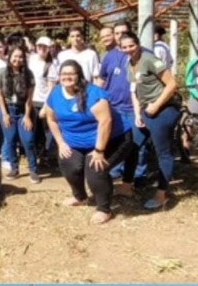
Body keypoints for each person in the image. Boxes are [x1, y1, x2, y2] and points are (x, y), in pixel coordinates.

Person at [46, 60, 134, 224]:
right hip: (75, 142)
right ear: (59, 77)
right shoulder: (55, 94)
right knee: (68, 164)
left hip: (113, 139)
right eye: (64, 74)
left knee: (95, 170)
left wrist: (99, 151)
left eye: (71, 73)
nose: (67, 77)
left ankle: (104, 209)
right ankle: (79, 197)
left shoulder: (94, 93)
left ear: (79, 75)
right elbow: (51, 119)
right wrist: (61, 143)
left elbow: (105, 122)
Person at [120, 32, 180, 209]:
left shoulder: (149, 59)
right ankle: (126, 186)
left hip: (164, 109)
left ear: (138, 44)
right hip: (146, 111)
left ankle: (162, 194)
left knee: (163, 152)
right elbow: (134, 92)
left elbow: (172, 84)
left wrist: (156, 105)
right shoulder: (129, 64)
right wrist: (138, 114)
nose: (128, 50)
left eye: (131, 45)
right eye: (124, 47)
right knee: (132, 146)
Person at [97, 22, 149, 187]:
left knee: (138, 145)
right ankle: (115, 173)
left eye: (123, 32)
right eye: (117, 33)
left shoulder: (145, 54)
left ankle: (139, 176)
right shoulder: (110, 56)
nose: (120, 36)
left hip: (136, 109)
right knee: (116, 143)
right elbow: (101, 80)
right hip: (114, 108)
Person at [0, 46, 39, 182]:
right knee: (10, 139)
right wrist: (5, 114)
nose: (17, 59)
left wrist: (27, 116)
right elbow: (0, 95)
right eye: (15, 56)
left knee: (28, 140)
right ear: (10, 57)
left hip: (24, 110)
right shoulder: (2, 73)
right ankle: (14, 168)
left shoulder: (28, 74)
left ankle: (33, 169)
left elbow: (29, 98)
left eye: (20, 57)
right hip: (8, 110)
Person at [28, 36, 59, 165]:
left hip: (42, 102)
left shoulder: (51, 65)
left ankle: (44, 156)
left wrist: (46, 106)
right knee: (32, 132)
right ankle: (35, 157)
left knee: (45, 132)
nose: (41, 49)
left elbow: (51, 88)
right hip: (30, 100)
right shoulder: (31, 59)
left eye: (44, 47)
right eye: (40, 46)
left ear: (49, 49)